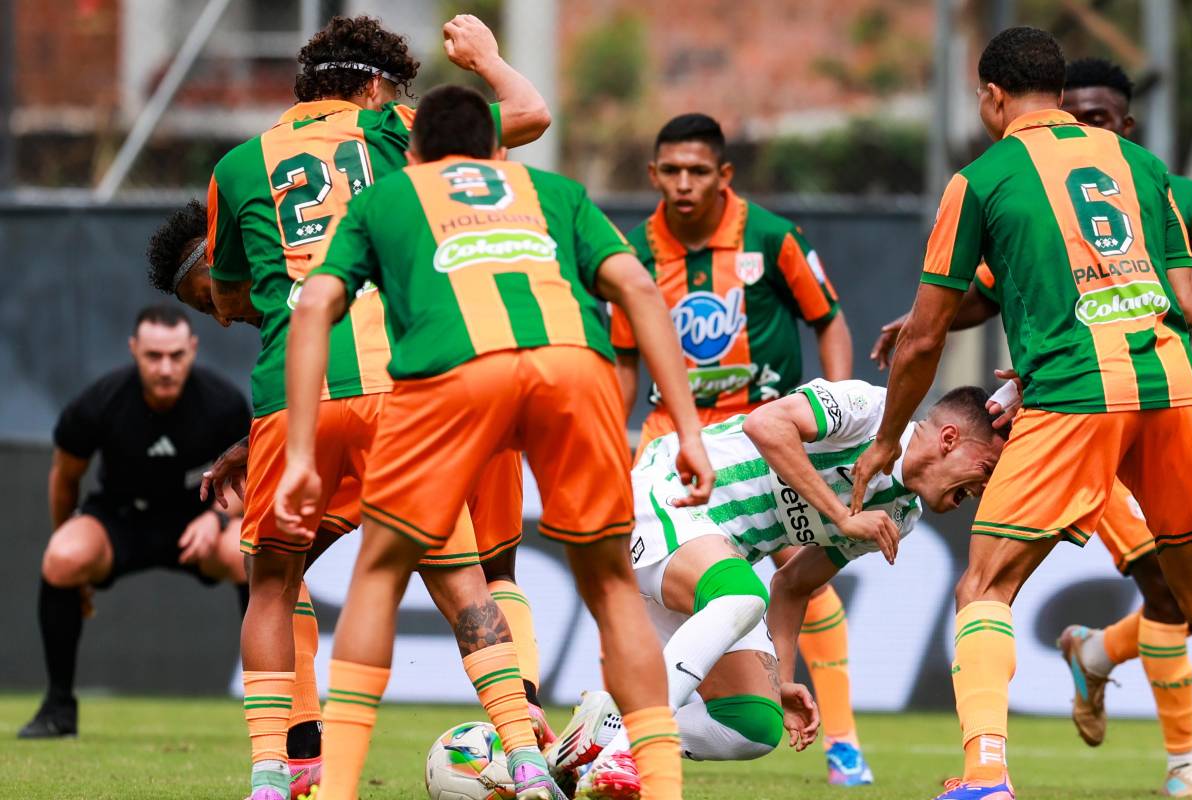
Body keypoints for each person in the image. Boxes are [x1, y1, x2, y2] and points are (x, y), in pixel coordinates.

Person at [849, 27, 1192, 800]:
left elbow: (925, 335)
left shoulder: (982, 178)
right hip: (1172, 382)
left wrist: (885, 442)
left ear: (993, 98)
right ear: (1061, 92)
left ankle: (984, 777)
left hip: (1075, 391)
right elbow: (1185, 302)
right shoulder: (1144, 168)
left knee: (985, 588)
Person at [277, 84, 714, 800]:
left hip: (455, 371)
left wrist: (299, 453)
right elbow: (636, 287)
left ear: (413, 154)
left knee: (379, 575)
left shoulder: (390, 194)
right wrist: (687, 428)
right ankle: (662, 789)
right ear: (500, 151)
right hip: (573, 362)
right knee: (609, 588)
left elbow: (318, 304)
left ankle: (337, 791)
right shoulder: (553, 191)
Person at [165, 15, 556, 800]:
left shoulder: (238, 166)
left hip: (294, 398)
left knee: (272, 583)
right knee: (467, 583)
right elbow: (531, 114)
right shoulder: (394, 130)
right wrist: (486, 61)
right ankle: (524, 757)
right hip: (405, 388)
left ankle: (274, 773)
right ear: (377, 86)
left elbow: (229, 292)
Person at [571, 380, 1008, 800]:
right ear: (949, 438)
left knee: (754, 725)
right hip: (668, 493)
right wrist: (840, 514)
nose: (985, 488)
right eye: (987, 469)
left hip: (709, 558)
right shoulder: (868, 409)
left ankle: (605, 730)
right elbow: (765, 424)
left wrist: (782, 677)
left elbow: (795, 583)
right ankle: (628, 750)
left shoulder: (900, 516)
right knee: (741, 595)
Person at [608, 112, 871, 786]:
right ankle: (622, 727)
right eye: (672, 171)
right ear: (653, 176)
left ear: (724, 175)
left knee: (809, 577)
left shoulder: (772, 237)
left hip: (764, 435)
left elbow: (828, 318)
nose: (685, 184)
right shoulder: (636, 254)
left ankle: (842, 741)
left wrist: (837, 399)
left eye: (699, 171)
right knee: (667, 591)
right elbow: (623, 360)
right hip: (677, 440)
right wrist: (612, 439)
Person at [18, 305, 250, 739]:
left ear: (193, 350)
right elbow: (65, 479)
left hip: (195, 526)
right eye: (153, 356)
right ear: (134, 351)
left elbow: (250, 479)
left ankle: (274, 711)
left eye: (176, 355)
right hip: (119, 519)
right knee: (63, 557)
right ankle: (57, 708)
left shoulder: (223, 404)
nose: (165, 367)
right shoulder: (96, 405)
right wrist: (67, 553)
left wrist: (216, 520)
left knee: (248, 551)